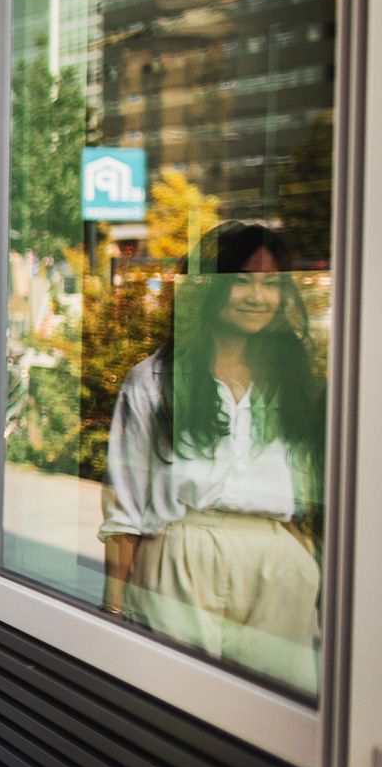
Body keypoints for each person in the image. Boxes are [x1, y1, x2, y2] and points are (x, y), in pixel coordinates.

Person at [100, 221, 325, 694]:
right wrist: (113, 611)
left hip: (277, 560)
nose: (257, 296)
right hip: (180, 553)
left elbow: (317, 497)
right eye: (241, 279)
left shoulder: (299, 384)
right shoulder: (156, 380)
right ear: (208, 287)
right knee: (171, 706)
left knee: (276, 719)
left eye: (273, 283)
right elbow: (125, 509)